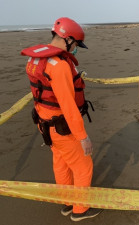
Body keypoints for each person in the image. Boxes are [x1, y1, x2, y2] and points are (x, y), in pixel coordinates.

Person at [21, 17, 101, 221]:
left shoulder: (34, 60)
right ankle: (80, 210)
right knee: (83, 165)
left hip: (44, 125)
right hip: (62, 127)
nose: (75, 49)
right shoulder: (59, 66)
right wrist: (82, 136)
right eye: (75, 45)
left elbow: (39, 95)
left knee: (61, 163)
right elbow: (68, 105)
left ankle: (67, 203)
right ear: (69, 39)